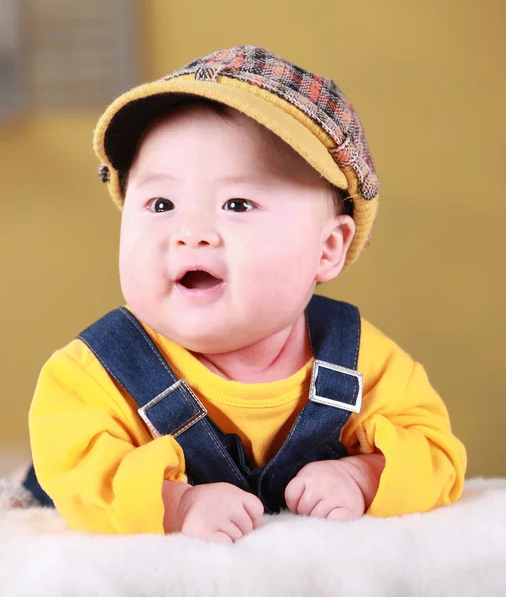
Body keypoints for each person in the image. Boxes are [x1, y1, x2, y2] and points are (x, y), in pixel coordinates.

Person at [21, 46, 465, 542]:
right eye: (161, 203)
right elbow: (77, 472)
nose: (191, 232)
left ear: (327, 248)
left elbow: (436, 453)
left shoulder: (361, 362)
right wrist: (177, 503)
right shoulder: (94, 374)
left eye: (237, 203)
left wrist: (362, 476)